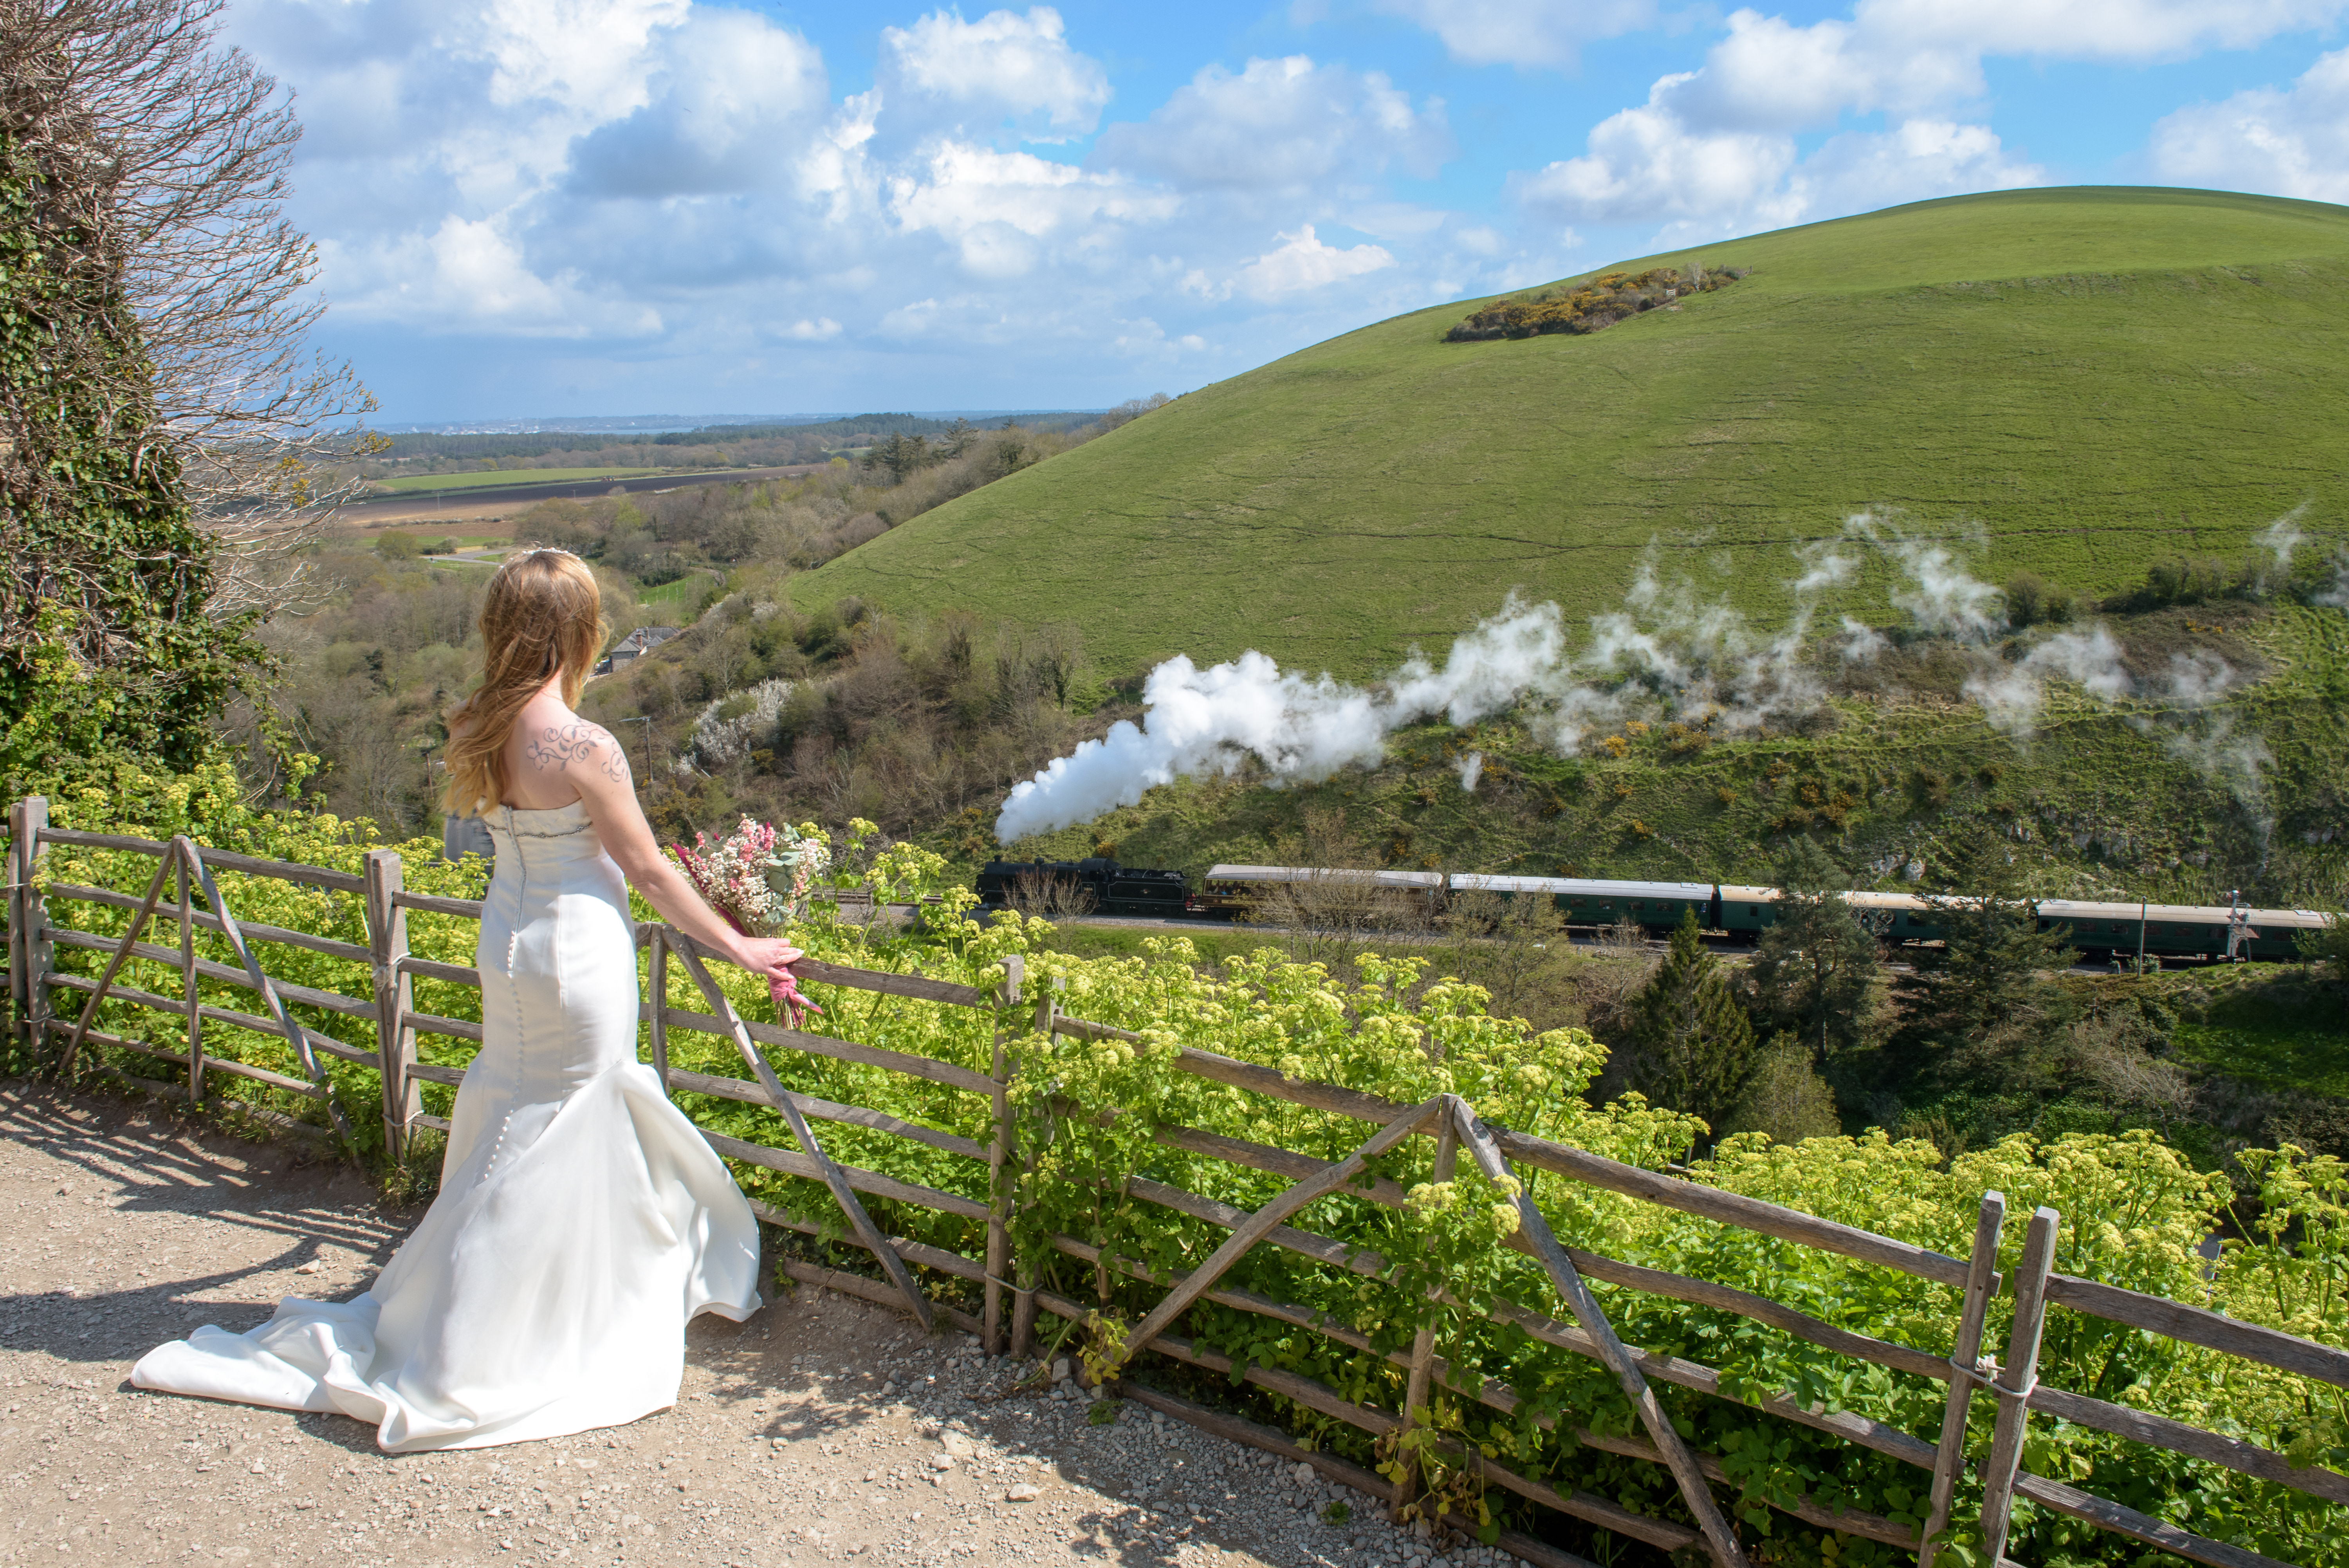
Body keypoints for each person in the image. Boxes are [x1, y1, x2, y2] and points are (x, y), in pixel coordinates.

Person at [131, 549, 804, 1451]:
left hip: (510, 940)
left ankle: (513, 1301)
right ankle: (505, 1330)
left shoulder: (479, 725)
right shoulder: (584, 743)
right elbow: (643, 867)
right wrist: (742, 943)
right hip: (576, 947)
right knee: (573, 1112)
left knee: (525, 1111)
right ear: (578, 628)